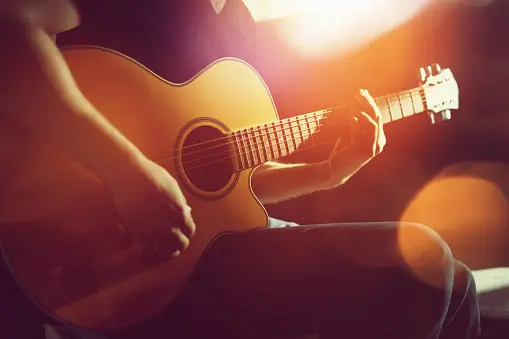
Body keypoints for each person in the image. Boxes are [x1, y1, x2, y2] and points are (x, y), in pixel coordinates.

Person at [0, 1, 480, 339]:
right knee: (422, 262)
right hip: (112, 264)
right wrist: (123, 170)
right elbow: (11, 24)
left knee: (459, 283)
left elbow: (225, 184)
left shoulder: (239, 24)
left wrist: (329, 172)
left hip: (195, 254)